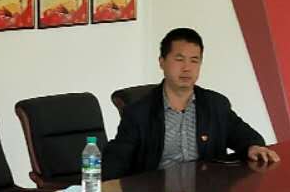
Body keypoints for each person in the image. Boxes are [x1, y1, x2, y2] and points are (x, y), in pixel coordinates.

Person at [102, 28, 279, 179]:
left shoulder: (215, 105)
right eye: (179, 59)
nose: (187, 68)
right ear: (162, 62)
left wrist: (253, 147)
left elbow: (248, 137)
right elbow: (115, 163)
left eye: (194, 60)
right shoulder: (139, 112)